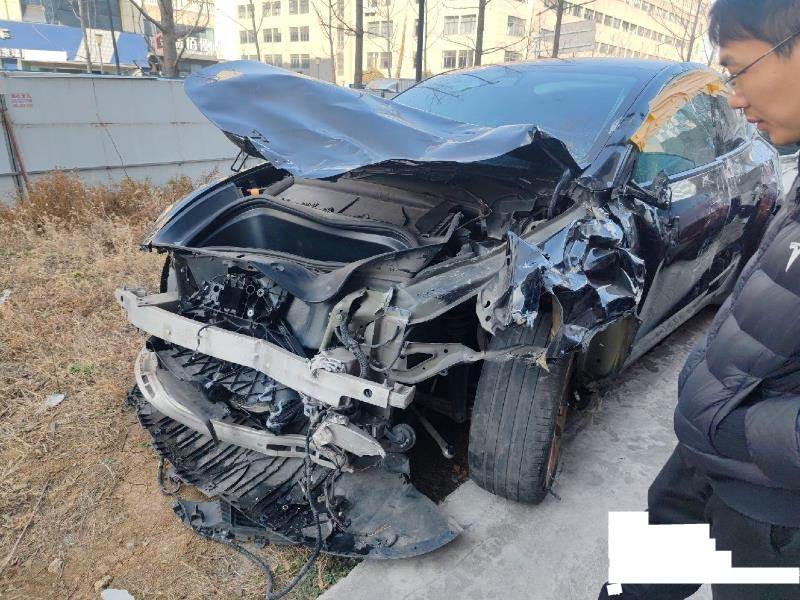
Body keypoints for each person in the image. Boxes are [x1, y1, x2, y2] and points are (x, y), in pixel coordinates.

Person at [600, 1, 800, 598]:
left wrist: (735, 427)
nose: (734, 99)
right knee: (634, 585)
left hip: (770, 511)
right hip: (704, 459)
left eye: (737, 70)